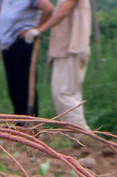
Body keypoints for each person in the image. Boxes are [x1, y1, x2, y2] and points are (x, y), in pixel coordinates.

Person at [25, 0, 91, 129]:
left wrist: (39, 30)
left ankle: (82, 135)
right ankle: (78, 135)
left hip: (72, 48)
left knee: (64, 93)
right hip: (63, 49)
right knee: (66, 94)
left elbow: (63, 12)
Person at [0, 0, 53, 117]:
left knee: (24, 85)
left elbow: (48, 8)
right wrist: (1, 25)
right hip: (7, 43)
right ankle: (19, 121)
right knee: (13, 87)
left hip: (23, 40)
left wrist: (37, 29)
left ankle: (30, 121)